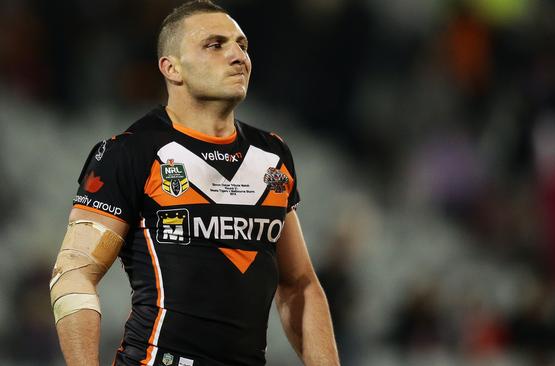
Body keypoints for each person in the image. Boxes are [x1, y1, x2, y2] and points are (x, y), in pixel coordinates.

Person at [49, 1, 340, 365]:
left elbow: (300, 285)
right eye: (215, 45)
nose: (237, 56)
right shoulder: (131, 152)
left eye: (242, 45)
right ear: (171, 68)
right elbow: (74, 273)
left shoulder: (273, 154)